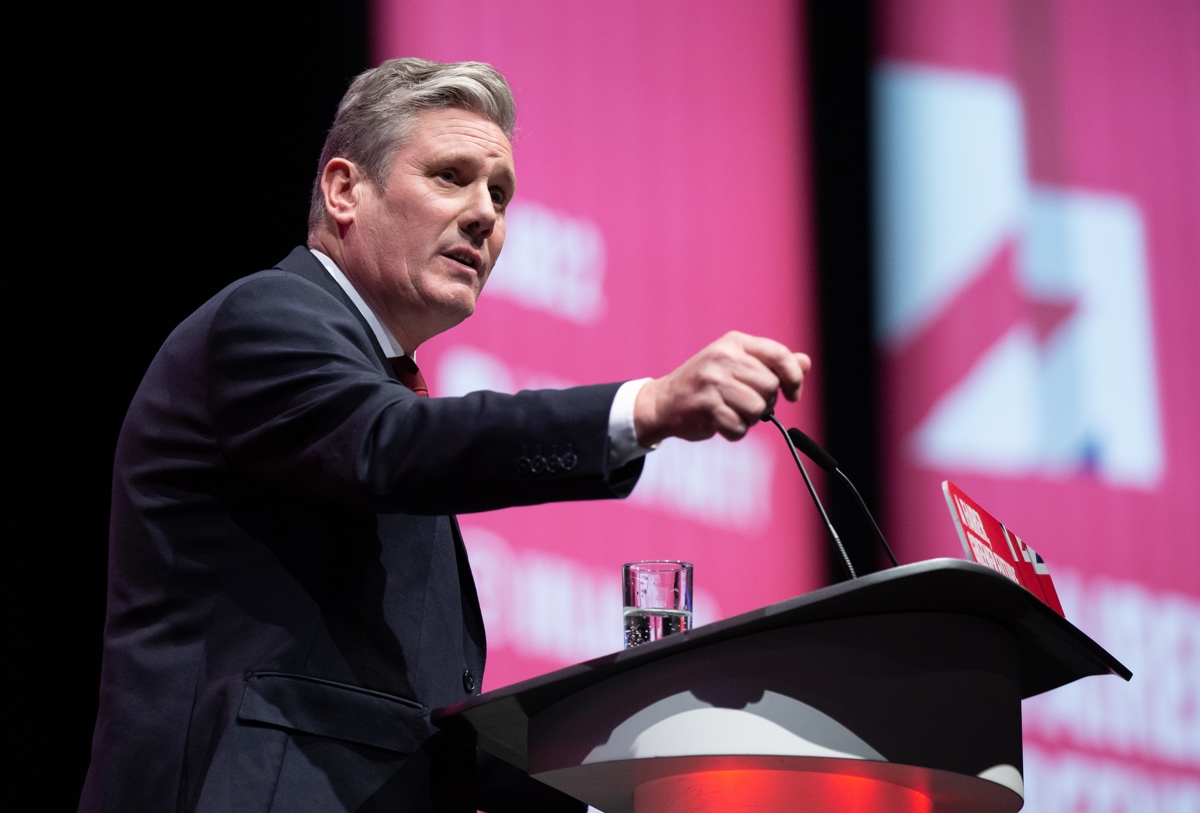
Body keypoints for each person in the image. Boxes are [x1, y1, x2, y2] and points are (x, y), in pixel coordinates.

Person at [79, 58, 810, 812]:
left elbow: (410, 737)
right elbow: (388, 447)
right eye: (450, 176)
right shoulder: (267, 319)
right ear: (343, 191)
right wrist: (644, 407)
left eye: (500, 193)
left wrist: (607, 785)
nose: (485, 214)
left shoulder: (382, 393)